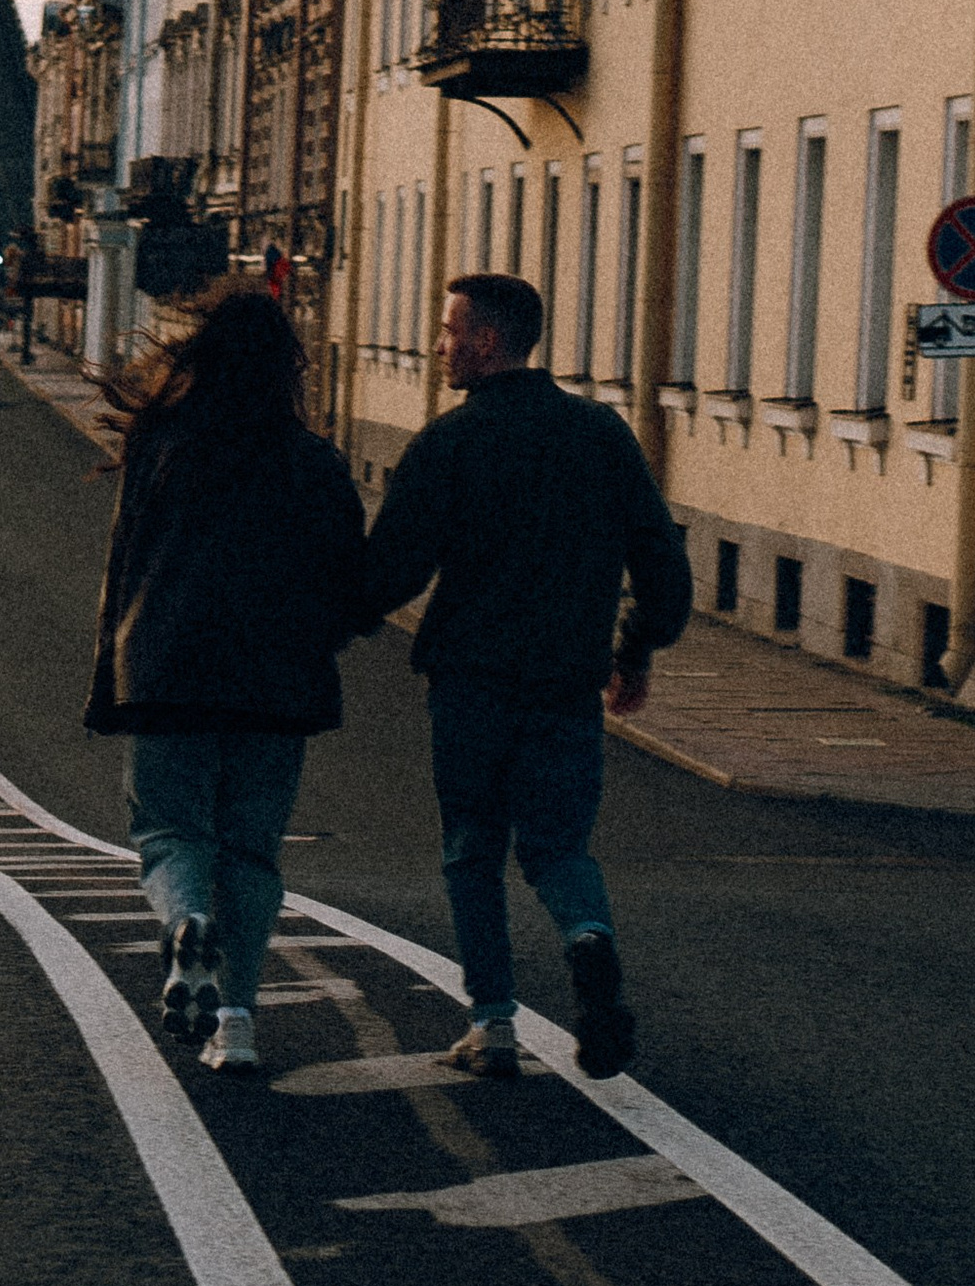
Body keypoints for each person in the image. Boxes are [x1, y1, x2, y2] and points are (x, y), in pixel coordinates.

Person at [361, 269, 690, 1078]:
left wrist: (317, 624)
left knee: (473, 850)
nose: (439, 346)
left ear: (486, 341)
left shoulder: (449, 442)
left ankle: (493, 1025)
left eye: (449, 332)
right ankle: (588, 940)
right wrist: (637, 648)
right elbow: (661, 559)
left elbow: (392, 571)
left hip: (470, 682)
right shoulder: (601, 434)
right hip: (567, 681)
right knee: (559, 847)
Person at [86, 286, 368, 1076]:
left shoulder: (159, 445)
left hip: (167, 672)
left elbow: (124, 565)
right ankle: (237, 1023)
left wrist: (113, 673)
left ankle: (187, 920)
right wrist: (325, 638)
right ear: (286, 369)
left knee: (169, 831)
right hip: (276, 682)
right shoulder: (314, 460)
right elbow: (349, 578)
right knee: (252, 850)